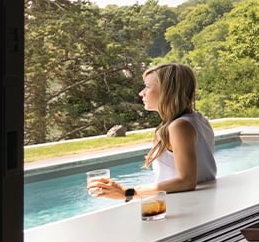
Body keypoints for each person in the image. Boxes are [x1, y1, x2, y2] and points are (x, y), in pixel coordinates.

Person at [90, 63, 217, 201]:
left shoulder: (179, 126)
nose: (141, 93)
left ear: (167, 91)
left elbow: (186, 181)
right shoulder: (198, 119)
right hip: (198, 201)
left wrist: (126, 193)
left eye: (148, 87)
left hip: (183, 205)